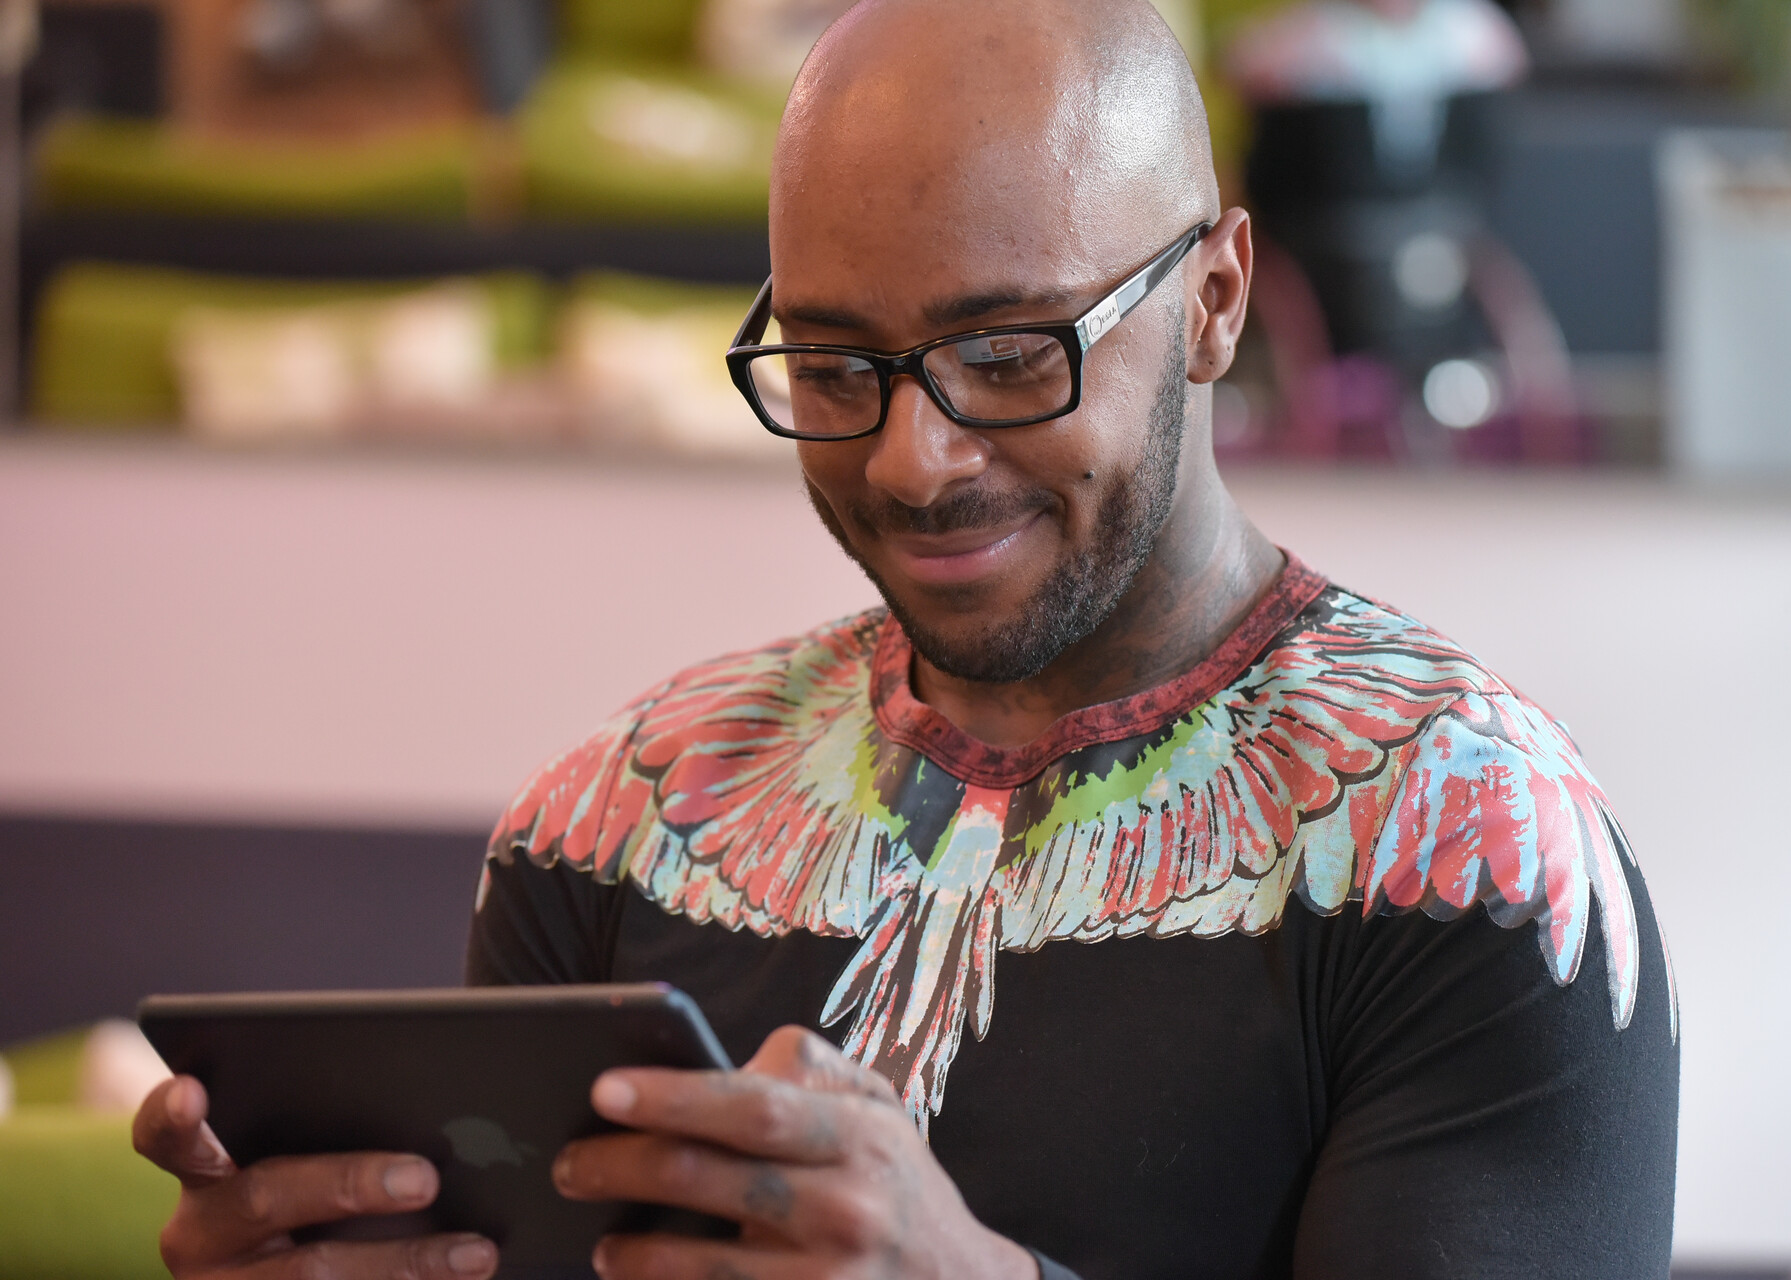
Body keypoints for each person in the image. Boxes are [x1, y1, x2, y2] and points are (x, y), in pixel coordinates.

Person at [132, 0, 1681, 1275]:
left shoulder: (1470, 851)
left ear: (1213, 300)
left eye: (1011, 355)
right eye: (830, 363)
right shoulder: (613, 828)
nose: (910, 463)